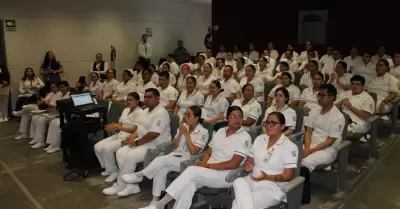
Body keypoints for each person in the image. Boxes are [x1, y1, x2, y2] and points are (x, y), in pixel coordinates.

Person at [139, 106, 252, 209]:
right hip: (208, 171)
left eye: (240, 117)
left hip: (226, 175)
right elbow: (208, 152)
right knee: (189, 185)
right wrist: (204, 163)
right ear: (227, 119)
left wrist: (206, 165)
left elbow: (234, 164)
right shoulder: (220, 131)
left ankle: (160, 204)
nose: (237, 119)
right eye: (233, 116)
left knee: (191, 171)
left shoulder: (244, 137)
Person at [122, 105, 209, 204]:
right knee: (161, 169)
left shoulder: (203, 132)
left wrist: (186, 134)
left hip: (189, 160)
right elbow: (174, 145)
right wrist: (180, 133)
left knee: (161, 160)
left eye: (189, 115)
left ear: (197, 118)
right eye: (185, 115)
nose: (185, 117)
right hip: (175, 156)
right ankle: (155, 201)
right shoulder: (183, 127)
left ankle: (141, 174)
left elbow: (193, 151)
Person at [103, 88, 171, 197]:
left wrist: (138, 142)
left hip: (156, 144)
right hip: (142, 141)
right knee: (120, 153)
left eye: (150, 97)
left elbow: (153, 134)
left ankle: (120, 184)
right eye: (145, 97)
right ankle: (132, 186)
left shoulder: (161, 112)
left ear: (157, 98)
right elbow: (139, 128)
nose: (147, 99)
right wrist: (132, 137)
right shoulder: (145, 111)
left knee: (130, 156)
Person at [232, 112, 299, 209]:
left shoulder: (289, 147)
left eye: (273, 123)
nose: (268, 126)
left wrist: (266, 177)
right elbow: (250, 159)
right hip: (253, 179)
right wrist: (249, 164)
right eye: (267, 123)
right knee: (238, 182)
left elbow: (288, 176)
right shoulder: (260, 139)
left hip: (273, 187)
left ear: (282, 126)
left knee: (237, 203)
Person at [301, 84, 346, 204]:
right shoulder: (314, 111)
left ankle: (301, 195)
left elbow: (330, 141)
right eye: (318, 95)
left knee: (305, 162)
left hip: (328, 149)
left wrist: (309, 151)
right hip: (311, 145)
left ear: (331, 97)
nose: (319, 98)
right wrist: (307, 147)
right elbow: (308, 131)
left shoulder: (338, 116)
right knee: (290, 154)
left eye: (322, 95)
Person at [94, 92, 143, 182]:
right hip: (119, 134)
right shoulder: (126, 110)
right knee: (97, 147)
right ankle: (108, 168)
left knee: (107, 148)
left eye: (131, 100)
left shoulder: (140, 112)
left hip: (128, 137)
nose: (128, 101)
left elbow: (134, 130)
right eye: (127, 99)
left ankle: (114, 171)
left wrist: (118, 127)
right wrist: (112, 126)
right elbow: (120, 123)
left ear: (137, 101)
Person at [29, 81, 71, 148]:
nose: (62, 89)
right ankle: (39, 140)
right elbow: (52, 103)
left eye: (63, 87)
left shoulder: (70, 95)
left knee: (53, 123)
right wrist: (49, 105)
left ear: (67, 87)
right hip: (54, 112)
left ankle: (54, 145)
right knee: (41, 119)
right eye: (60, 87)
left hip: (63, 115)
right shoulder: (58, 94)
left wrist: (52, 106)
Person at [336, 75, 375, 142]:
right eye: (353, 84)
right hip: (342, 119)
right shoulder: (346, 93)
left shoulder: (367, 98)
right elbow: (333, 107)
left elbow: (366, 116)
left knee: (336, 129)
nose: (354, 86)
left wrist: (351, 107)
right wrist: (341, 102)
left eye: (357, 84)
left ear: (363, 86)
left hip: (358, 123)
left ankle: (340, 149)